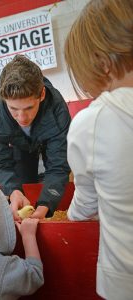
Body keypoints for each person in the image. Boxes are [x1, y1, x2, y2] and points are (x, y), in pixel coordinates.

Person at [64, 0, 133, 299]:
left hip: (124, 278)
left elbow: (86, 204)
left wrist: (71, 214)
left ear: (102, 62)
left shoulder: (92, 122)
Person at [0, 54, 71, 220]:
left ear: (42, 95)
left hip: (48, 137)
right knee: (22, 184)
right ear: (3, 99)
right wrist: (13, 191)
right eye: (14, 109)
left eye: (29, 107)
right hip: (19, 145)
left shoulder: (57, 107)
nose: (22, 118)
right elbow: (2, 161)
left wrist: (45, 205)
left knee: (52, 197)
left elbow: (59, 165)